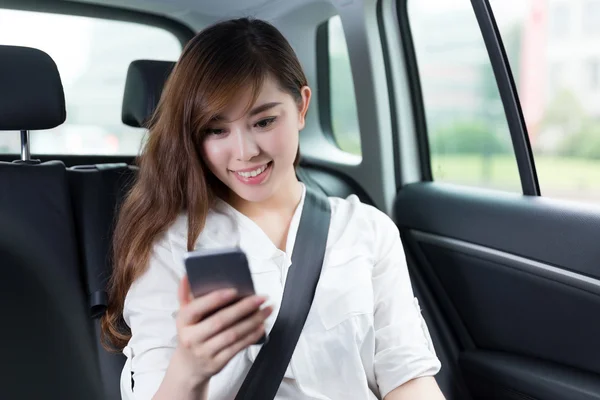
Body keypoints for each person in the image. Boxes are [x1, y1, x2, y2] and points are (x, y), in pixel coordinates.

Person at [101, 17, 445, 400]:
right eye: (217, 130)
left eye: (264, 121)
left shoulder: (366, 229)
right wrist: (190, 370)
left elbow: (408, 376)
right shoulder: (170, 245)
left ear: (301, 106)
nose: (246, 151)